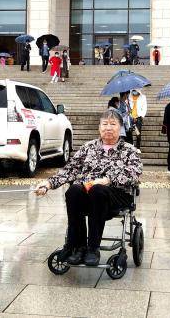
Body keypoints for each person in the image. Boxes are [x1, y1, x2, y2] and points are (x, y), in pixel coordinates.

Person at [35, 110, 142, 266]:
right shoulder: (88, 147)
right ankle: (77, 246)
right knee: (74, 190)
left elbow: (134, 174)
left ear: (121, 128)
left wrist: (108, 180)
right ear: (99, 127)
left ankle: (92, 248)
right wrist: (49, 184)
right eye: (105, 124)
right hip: (89, 194)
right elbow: (70, 170)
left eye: (113, 124)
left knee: (98, 190)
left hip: (116, 195)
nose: (108, 128)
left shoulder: (129, 151)